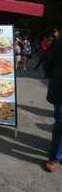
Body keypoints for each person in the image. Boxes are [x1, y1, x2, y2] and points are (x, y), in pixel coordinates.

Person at [44, 24, 62, 172]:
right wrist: (55, 78)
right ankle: (54, 156)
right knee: (61, 123)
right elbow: (47, 63)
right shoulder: (58, 43)